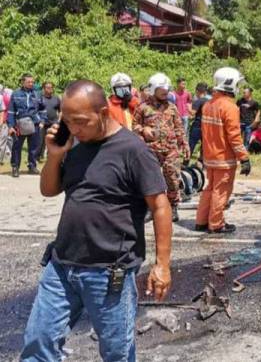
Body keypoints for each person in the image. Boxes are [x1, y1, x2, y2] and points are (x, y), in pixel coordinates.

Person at [21, 80, 172, 362]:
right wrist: (55, 156)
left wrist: (162, 265)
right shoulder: (75, 147)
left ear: (103, 113)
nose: (74, 129)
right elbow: (49, 189)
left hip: (108, 273)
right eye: (67, 121)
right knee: (38, 342)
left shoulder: (133, 150)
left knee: (116, 352)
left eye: (80, 122)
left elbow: (160, 206)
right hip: (62, 265)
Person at [195, 67, 251, 234]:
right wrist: (244, 158)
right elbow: (234, 137)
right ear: (230, 84)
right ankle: (216, 223)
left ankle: (201, 221)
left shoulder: (208, 105)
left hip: (210, 157)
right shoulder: (230, 107)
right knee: (221, 191)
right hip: (224, 158)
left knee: (209, 189)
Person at [133, 73, 190, 222]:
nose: (166, 91)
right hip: (150, 151)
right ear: (153, 89)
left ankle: (173, 207)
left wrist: (184, 144)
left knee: (172, 178)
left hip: (171, 150)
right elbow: (134, 126)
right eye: (162, 89)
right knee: (150, 181)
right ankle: (150, 209)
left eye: (167, 88)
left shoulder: (172, 108)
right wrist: (142, 130)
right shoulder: (143, 108)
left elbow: (179, 128)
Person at [7, 73, 46, 177]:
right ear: (22, 82)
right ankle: (15, 167)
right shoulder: (15, 94)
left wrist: (42, 121)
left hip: (35, 123)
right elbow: (10, 111)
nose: (31, 84)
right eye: (29, 82)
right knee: (17, 147)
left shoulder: (38, 94)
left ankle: (32, 166)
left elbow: (43, 109)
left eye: (32, 82)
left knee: (34, 147)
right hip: (20, 124)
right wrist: (10, 126)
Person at [37, 82, 61, 162]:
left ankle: (49, 157)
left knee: (52, 140)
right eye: (47, 87)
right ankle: (38, 157)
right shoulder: (40, 98)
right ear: (43, 88)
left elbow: (60, 110)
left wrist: (58, 121)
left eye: (51, 87)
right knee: (40, 141)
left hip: (53, 123)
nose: (50, 89)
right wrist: (39, 120)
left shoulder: (56, 98)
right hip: (42, 123)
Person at [188, 82, 209, 160]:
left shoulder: (198, 101)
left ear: (197, 91)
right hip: (206, 126)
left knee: (191, 144)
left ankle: (185, 163)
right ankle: (202, 162)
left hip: (197, 125)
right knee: (204, 146)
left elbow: (192, 113)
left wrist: (188, 107)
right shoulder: (209, 101)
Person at [0, 83, 10, 165]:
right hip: (5, 121)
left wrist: (2, 121)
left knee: (2, 141)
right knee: (4, 141)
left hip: (4, 121)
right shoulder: (5, 97)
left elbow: (3, 111)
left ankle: (1, 159)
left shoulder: (3, 98)